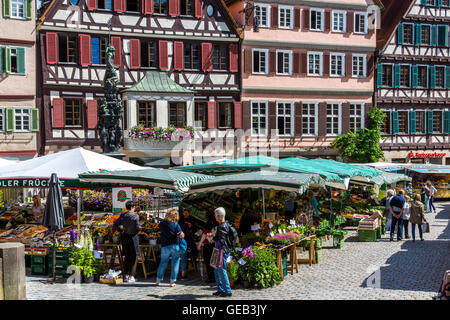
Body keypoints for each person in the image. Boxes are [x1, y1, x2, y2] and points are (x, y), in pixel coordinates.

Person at [208, 207, 237, 298]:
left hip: (220, 251)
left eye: (215, 215)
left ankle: (227, 291)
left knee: (221, 270)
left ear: (217, 216)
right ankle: (220, 289)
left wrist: (212, 237)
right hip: (220, 250)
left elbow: (221, 240)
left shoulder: (221, 227)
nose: (214, 216)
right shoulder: (227, 224)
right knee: (216, 270)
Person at [113, 201, 140, 283]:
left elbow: (115, 224)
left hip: (125, 236)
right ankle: (131, 275)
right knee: (133, 256)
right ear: (132, 207)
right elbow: (137, 227)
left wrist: (120, 229)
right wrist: (140, 229)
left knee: (127, 256)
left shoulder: (123, 215)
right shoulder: (135, 216)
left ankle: (126, 275)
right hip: (133, 237)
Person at [156, 209, 185, 287]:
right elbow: (182, 235)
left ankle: (158, 280)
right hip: (175, 246)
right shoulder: (176, 225)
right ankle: (172, 281)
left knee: (163, 263)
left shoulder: (161, 224)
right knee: (175, 263)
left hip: (165, 246)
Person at [197, 208, 219, 283]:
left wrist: (200, 243)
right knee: (214, 261)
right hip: (216, 244)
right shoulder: (217, 222)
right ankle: (216, 276)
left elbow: (204, 234)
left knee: (208, 261)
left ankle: (211, 277)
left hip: (208, 245)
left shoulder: (208, 223)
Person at [178, 208, 198, 280]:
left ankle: (193, 266)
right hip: (183, 239)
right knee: (184, 256)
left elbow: (195, 228)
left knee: (192, 253)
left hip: (190, 239)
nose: (185, 214)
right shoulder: (181, 219)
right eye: (184, 213)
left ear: (189, 213)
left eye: (186, 213)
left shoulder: (192, 219)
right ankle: (184, 272)